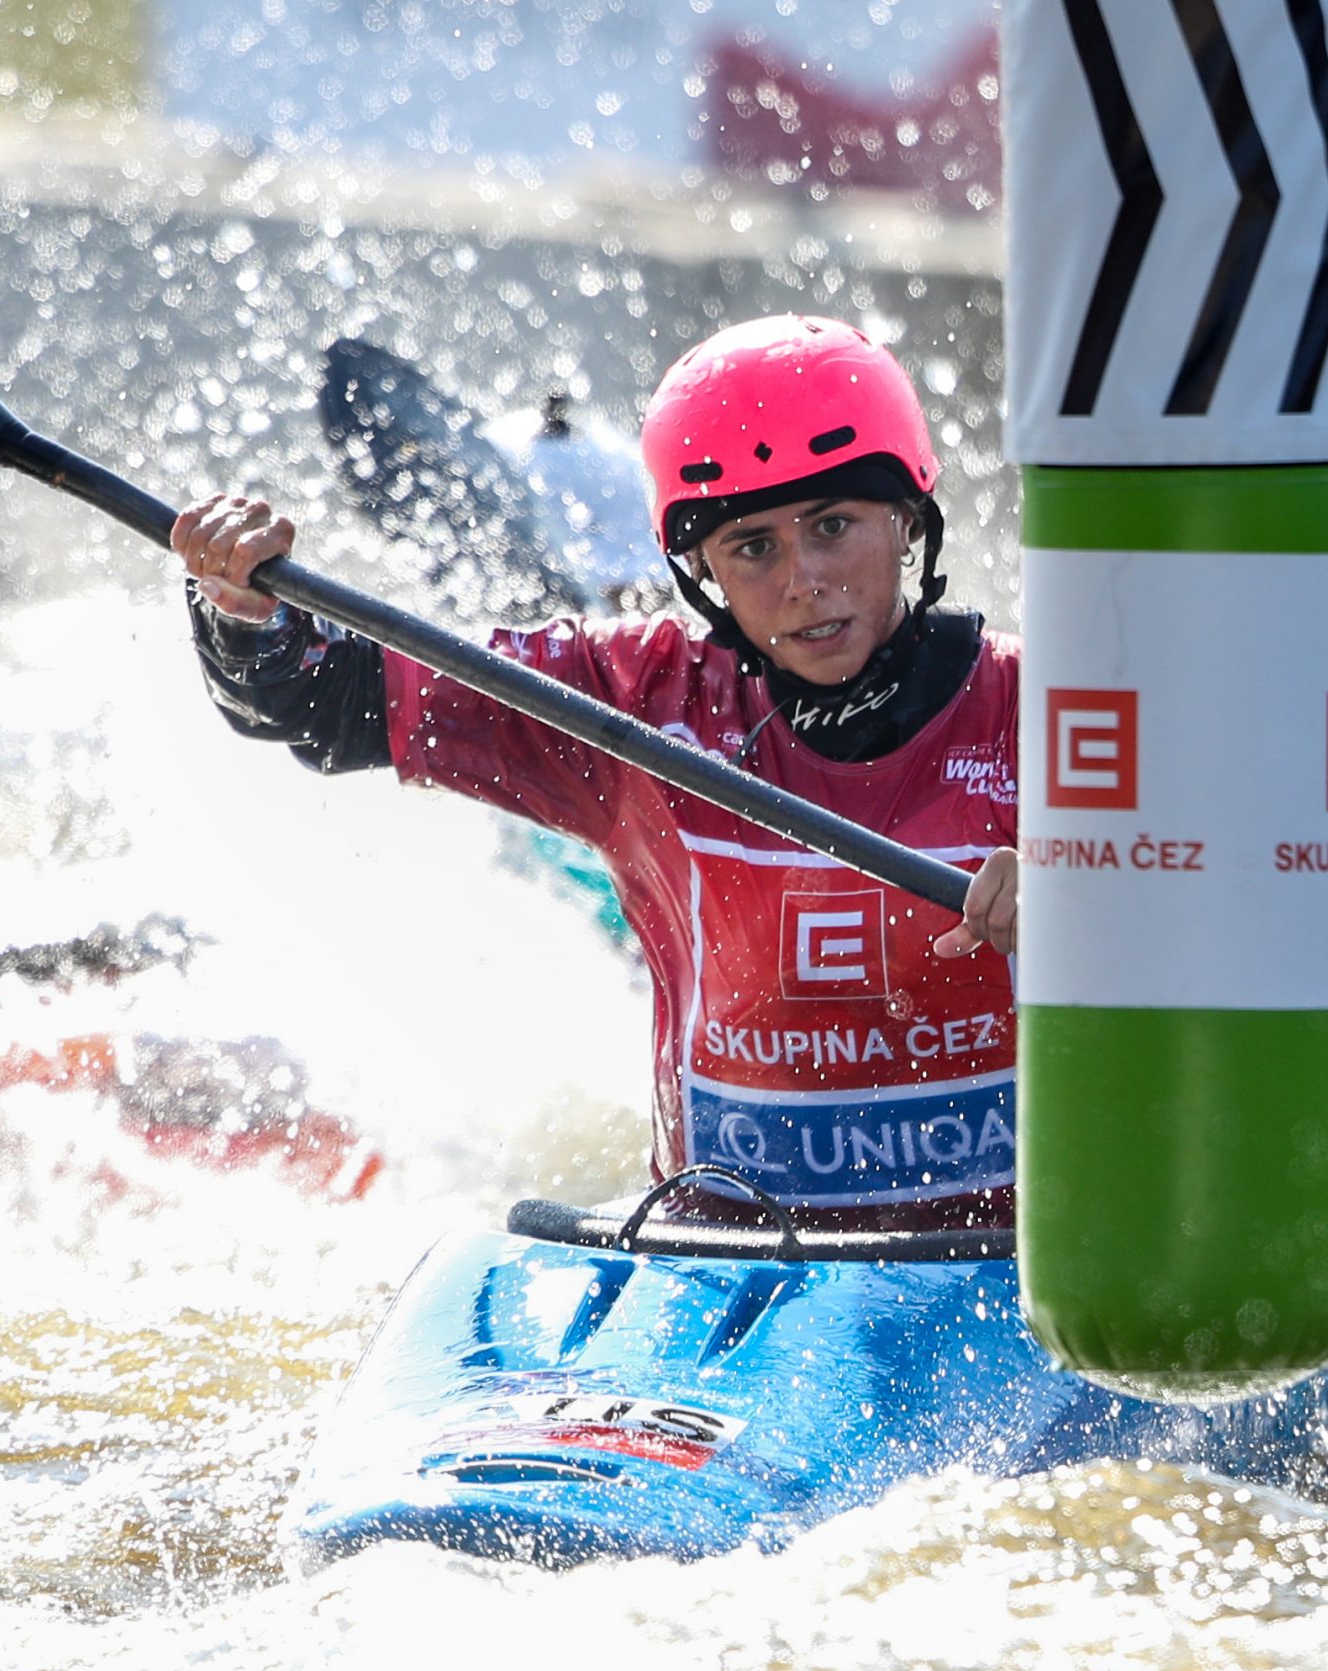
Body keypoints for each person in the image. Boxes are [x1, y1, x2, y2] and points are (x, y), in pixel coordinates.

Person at [175, 315, 1020, 1229]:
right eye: (754, 547)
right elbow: (319, 700)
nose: (804, 579)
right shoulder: (633, 701)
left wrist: (1103, 902)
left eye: (833, 525)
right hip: (735, 1266)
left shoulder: (1047, 710)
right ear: (702, 572)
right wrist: (240, 604)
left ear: (906, 522)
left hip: (1005, 1272)